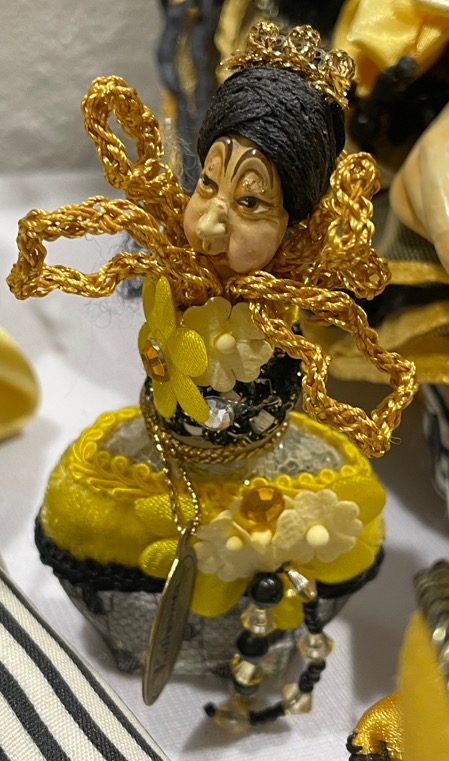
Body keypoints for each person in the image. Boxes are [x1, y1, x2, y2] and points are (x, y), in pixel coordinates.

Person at [8, 23, 416, 725]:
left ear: (297, 227)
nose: (208, 224)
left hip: (260, 462)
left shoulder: (280, 311)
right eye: (207, 184)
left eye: (250, 202)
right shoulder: (175, 268)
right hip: (164, 450)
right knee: (88, 510)